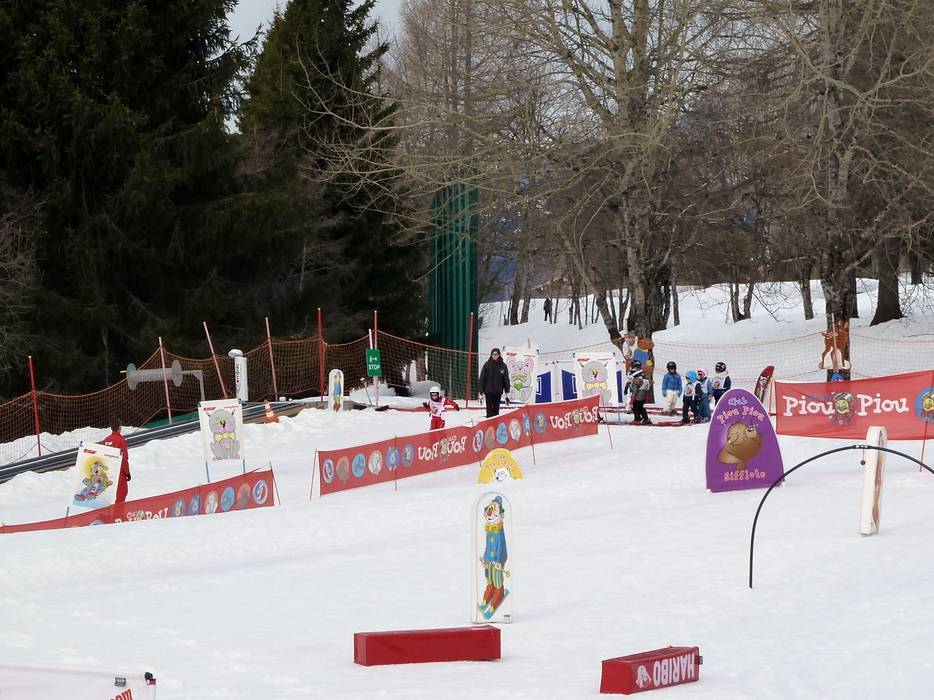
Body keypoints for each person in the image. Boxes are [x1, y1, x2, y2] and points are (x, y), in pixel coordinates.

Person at [101, 418, 131, 504]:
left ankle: (108, 510)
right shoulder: (121, 440)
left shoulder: (105, 440)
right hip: (118, 471)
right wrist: (127, 473)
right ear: (120, 428)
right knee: (122, 493)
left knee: (107, 494)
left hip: (107, 471)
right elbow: (124, 459)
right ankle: (118, 511)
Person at [479, 348, 510, 418]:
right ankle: (489, 423)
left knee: (496, 411)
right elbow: (482, 378)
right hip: (488, 391)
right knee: (489, 411)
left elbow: (506, 379)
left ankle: (495, 423)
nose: (494, 356)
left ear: (499, 355)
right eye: (493, 354)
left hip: (498, 392)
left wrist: (507, 390)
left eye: (495, 354)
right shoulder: (487, 365)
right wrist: (481, 390)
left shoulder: (503, 366)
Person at [625, 360, 652, 425]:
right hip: (643, 396)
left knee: (636, 408)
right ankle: (645, 418)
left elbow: (634, 391)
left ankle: (637, 419)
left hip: (637, 397)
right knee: (641, 407)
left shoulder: (636, 381)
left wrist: (632, 400)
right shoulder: (645, 379)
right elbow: (648, 388)